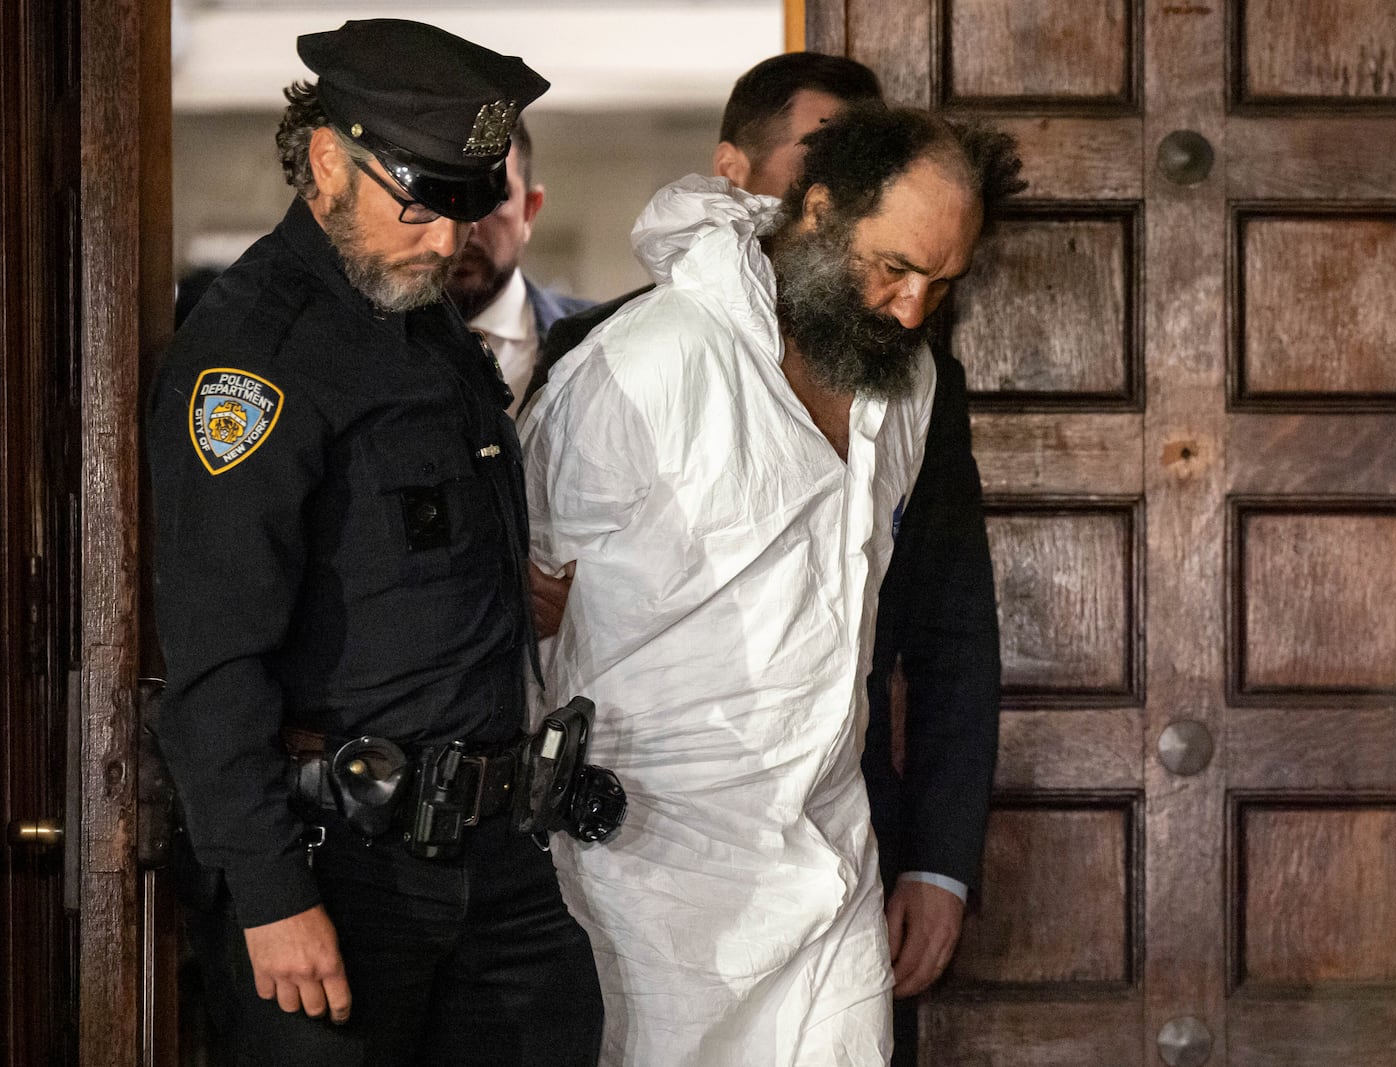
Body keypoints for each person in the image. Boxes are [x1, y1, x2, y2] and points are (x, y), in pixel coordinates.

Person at [522, 105, 1023, 1066]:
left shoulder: (906, 380)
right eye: (894, 268)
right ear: (819, 211)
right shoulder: (640, 363)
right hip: (645, 872)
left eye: (942, 282)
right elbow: (523, 617)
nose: (914, 310)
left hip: (830, 860)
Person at [146, 19, 602, 1066]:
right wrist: (270, 895)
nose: (446, 243)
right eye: (418, 203)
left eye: (464, 206)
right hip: (341, 869)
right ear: (323, 159)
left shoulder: (410, 305)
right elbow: (216, 663)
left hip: (495, 858)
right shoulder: (255, 359)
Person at [446, 120, 593, 415]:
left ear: (529, 211)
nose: (469, 224)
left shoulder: (598, 341)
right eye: (447, 195)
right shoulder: (358, 346)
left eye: (492, 196)